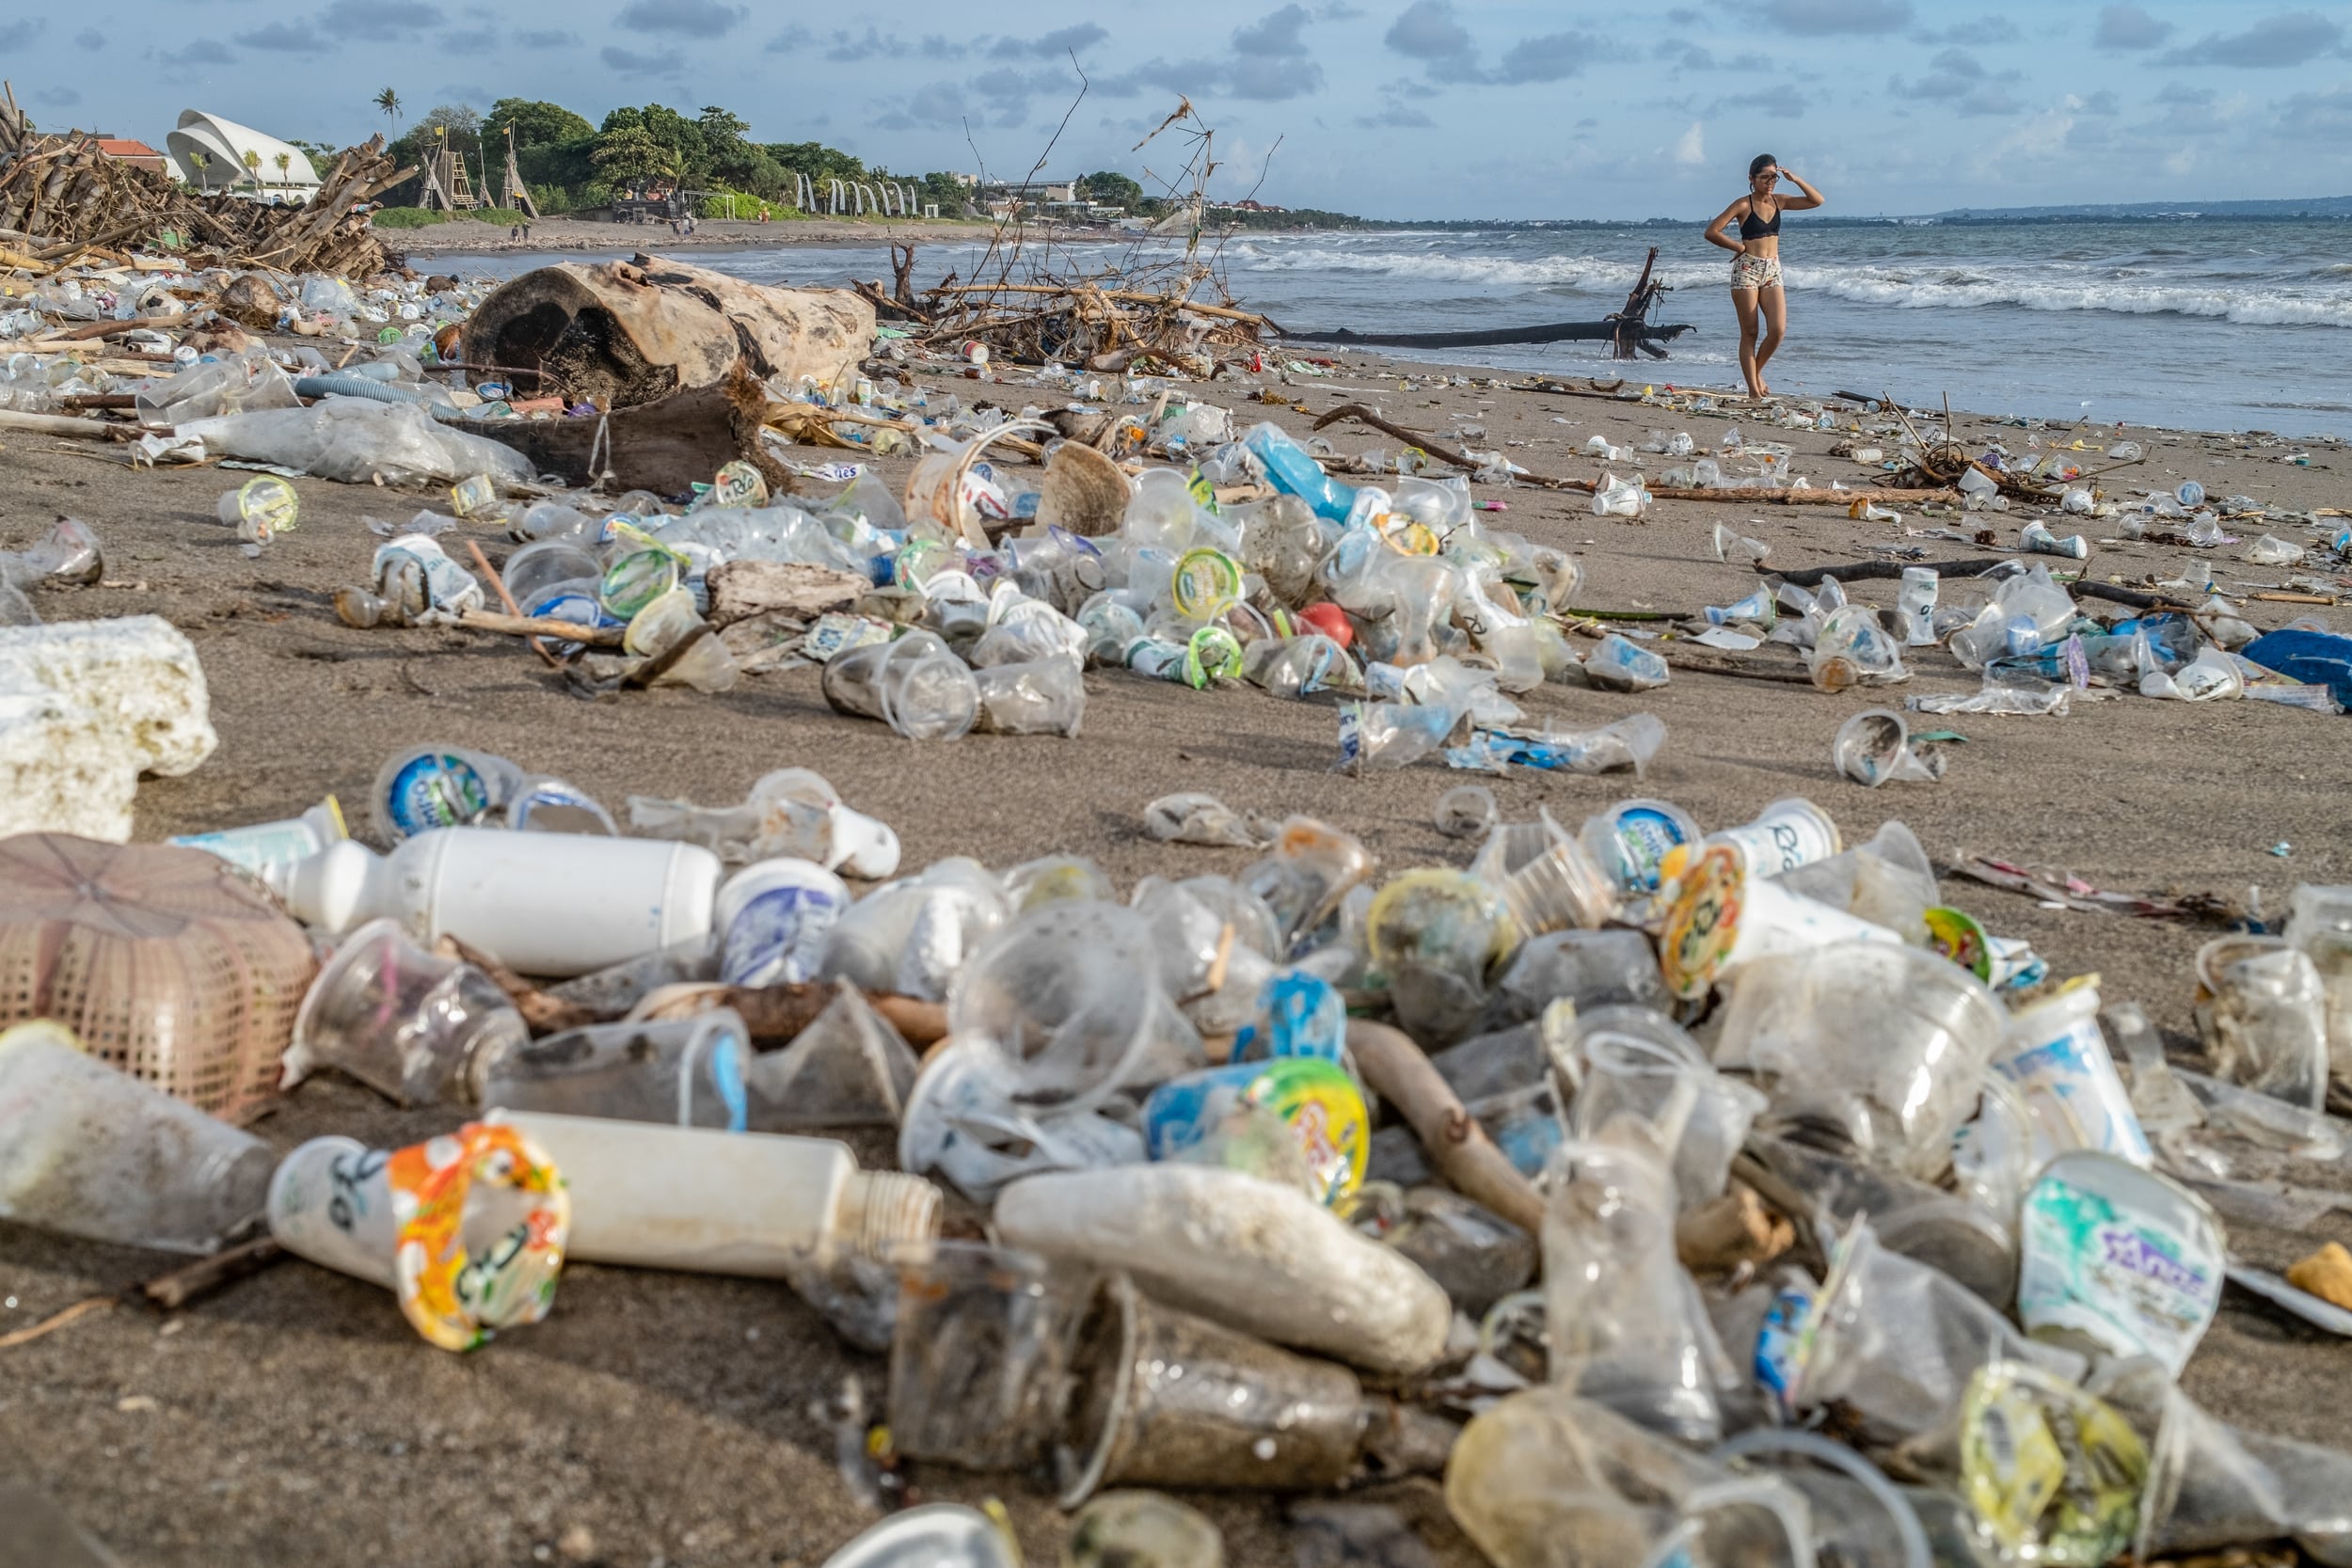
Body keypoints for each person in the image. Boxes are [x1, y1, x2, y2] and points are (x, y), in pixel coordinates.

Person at [1704, 154, 1824, 400]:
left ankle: (1756, 373)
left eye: (1774, 177)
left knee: (1778, 330)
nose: (1770, 182)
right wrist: (1738, 247)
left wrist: (1795, 179)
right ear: (1752, 178)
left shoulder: (1779, 201)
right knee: (1750, 333)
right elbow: (1712, 231)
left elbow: (1817, 200)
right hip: (1747, 270)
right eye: (1765, 177)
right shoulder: (1743, 204)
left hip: (1772, 270)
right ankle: (1753, 391)